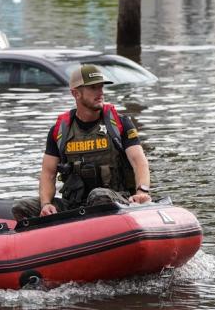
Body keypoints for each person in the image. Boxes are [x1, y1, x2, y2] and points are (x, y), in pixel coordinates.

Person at [12, 64, 151, 220]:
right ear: (76, 93)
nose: (100, 92)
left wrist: (142, 192)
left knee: (98, 196)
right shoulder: (59, 131)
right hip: (74, 205)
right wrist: (46, 204)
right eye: (93, 88)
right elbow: (48, 173)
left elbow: (139, 161)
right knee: (21, 207)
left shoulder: (120, 124)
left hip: (116, 199)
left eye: (101, 87)